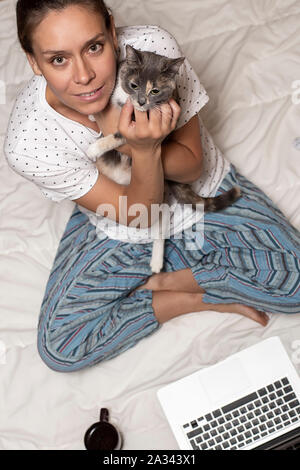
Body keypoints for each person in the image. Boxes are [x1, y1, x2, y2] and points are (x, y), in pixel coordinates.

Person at [4, 0, 300, 372]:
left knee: (296, 283)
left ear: (112, 32)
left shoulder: (153, 50)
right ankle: (195, 297)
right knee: (61, 348)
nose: (84, 76)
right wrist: (140, 149)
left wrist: (137, 145)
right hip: (123, 219)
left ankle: (172, 276)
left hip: (201, 196)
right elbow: (140, 215)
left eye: (94, 47)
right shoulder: (29, 141)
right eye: (58, 59)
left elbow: (193, 166)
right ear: (33, 61)